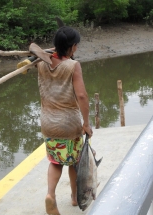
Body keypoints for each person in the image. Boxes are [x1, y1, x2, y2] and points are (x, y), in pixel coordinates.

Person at [37, 26, 93, 215]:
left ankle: (50, 195)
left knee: (55, 161)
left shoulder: (40, 62)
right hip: (68, 124)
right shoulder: (72, 65)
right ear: (74, 46)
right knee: (74, 162)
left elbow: (46, 54)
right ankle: (75, 197)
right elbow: (82, 96)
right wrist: (86, 123)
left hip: (48, 122)